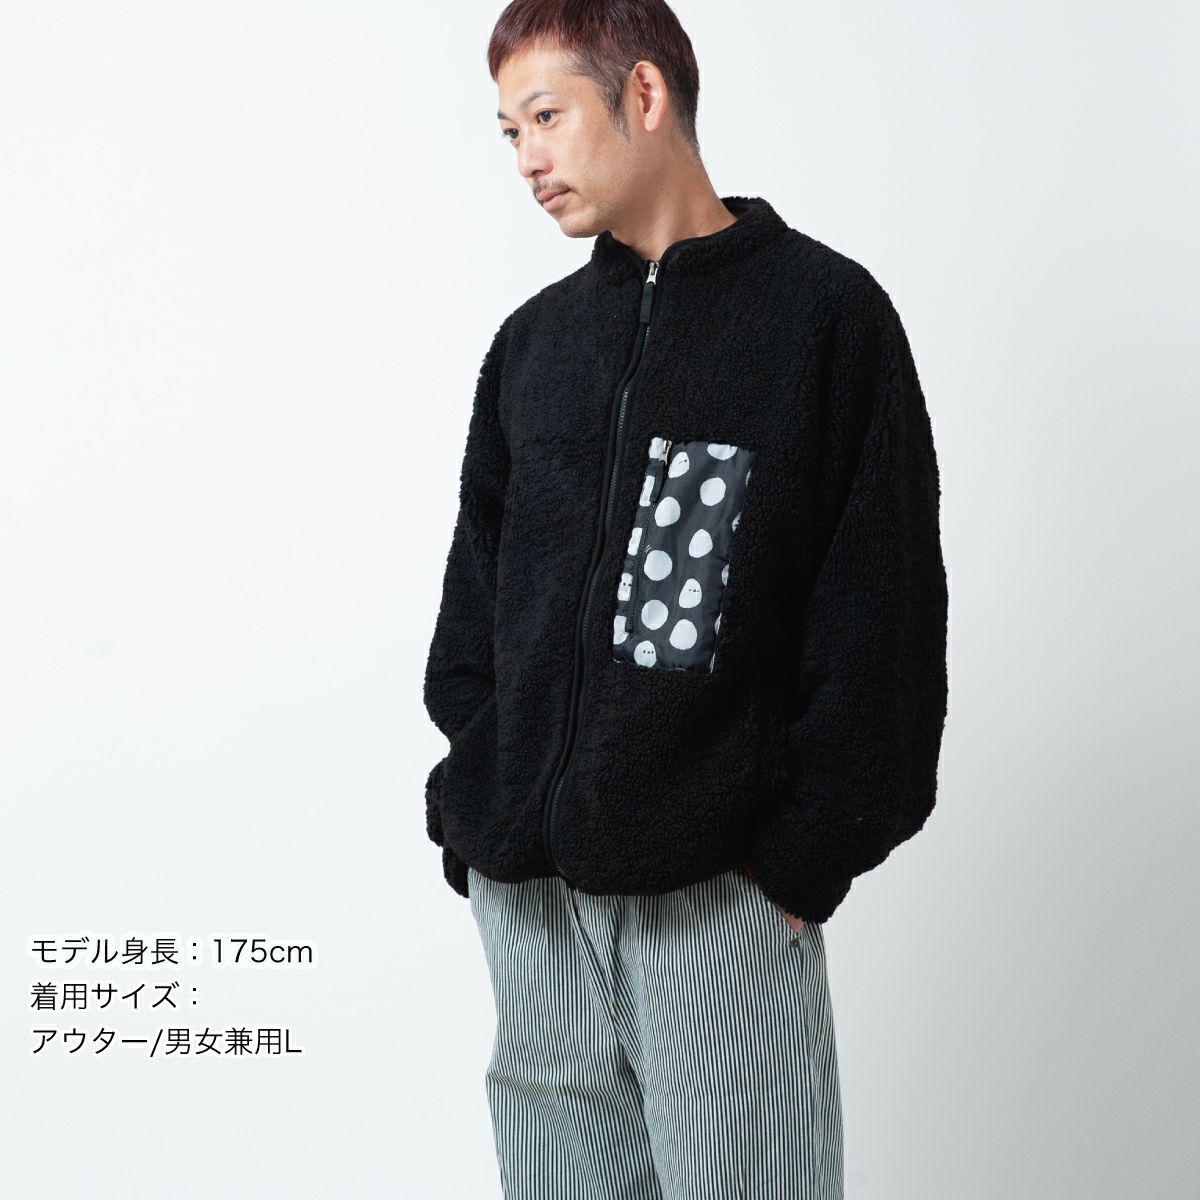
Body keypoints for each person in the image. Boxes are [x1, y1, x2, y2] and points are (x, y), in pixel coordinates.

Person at [421, 2, 949, 1195]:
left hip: (716, 896)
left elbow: (884, 623)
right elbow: (475, 609)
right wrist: (479, 806)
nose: (527, 157)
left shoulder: (823, 321)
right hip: (532, 903)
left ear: (645, 95)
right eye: (508, 132)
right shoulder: (534, 346)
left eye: (546, 116)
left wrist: (803, 860)